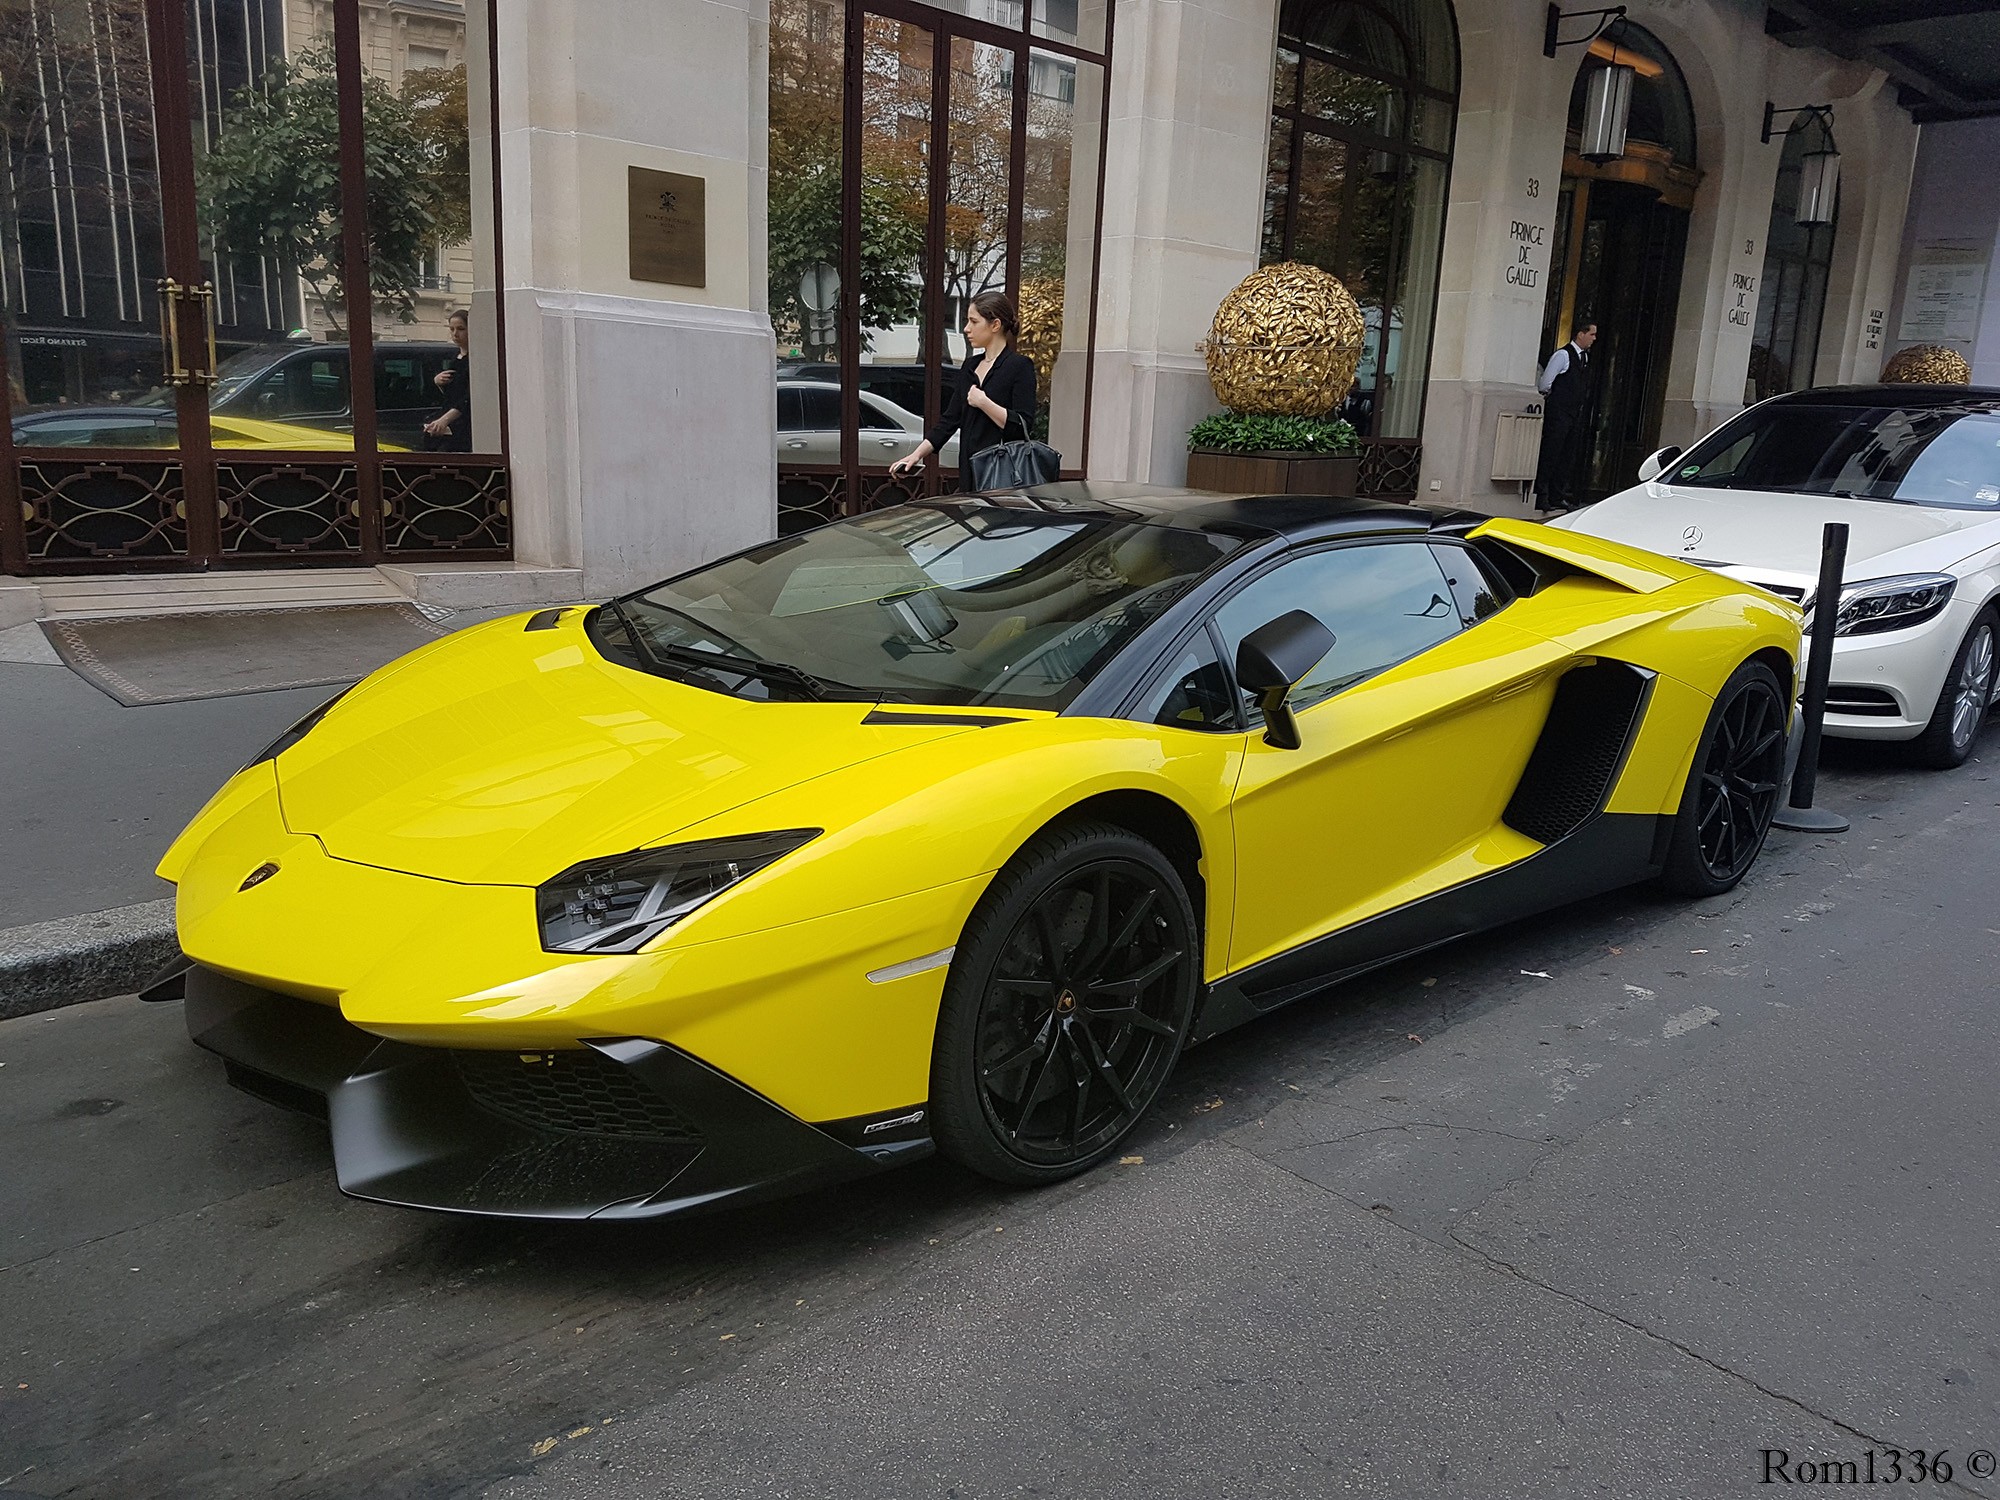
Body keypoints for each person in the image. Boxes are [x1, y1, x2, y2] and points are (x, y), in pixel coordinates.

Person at [889, 290, 1037, 491]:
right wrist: (916, 455)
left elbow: (1022, 426)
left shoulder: (1019, 366)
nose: (967, 329)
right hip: (969, 471)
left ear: (995, 325)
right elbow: (949, 420)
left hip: (1003, 475)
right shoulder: (970, 366)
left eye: (974, 322)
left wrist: (984, 403)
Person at [1534, 319, 1597, 512]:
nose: (1594, 338)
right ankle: (1542, 495)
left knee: (1566, 455)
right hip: (1558, 413)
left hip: (1573, 415)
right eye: (1592, 334)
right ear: (1580, 334)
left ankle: (1557, 495)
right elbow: (1545, 383)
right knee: (1551, 453)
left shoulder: (1584, 358)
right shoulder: (1563, 355)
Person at [424, 309, 472, 452]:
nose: (455, 334)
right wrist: (438, 382)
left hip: (466, 426)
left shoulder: (475, 360)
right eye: (452, 329)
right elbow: (451, 395)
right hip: (451, 422)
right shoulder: (454, 359)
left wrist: (445, 419)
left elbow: (468, 397)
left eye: (461, 329)